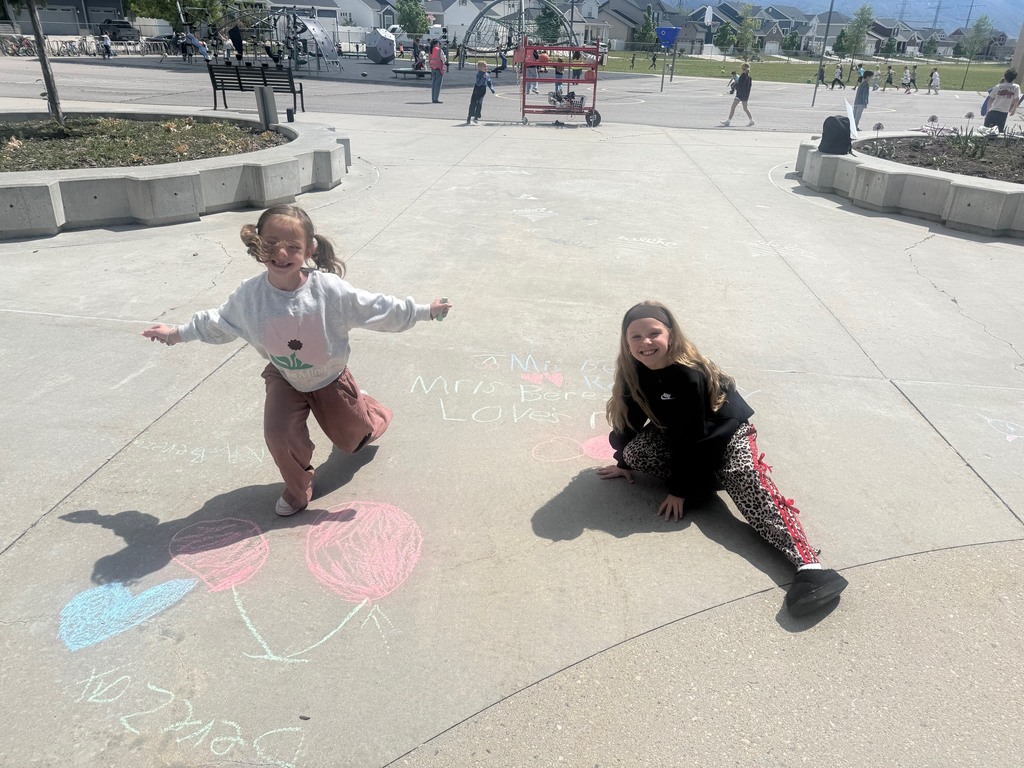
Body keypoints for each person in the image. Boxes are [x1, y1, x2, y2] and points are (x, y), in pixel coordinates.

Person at [141, 205, 452, 517]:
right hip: (285, 378)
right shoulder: (250, 296)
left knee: (353, 441)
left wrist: (425, 311)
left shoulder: (328, 291)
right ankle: (297, 488)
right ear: (258, 243)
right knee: (278, 434)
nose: (281, 253)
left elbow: (377, 308)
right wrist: (175, 332)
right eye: (272, 243)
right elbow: (218, 321)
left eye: (293, 246)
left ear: (309, 249)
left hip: (330, 378)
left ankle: (369, 409)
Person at [597, 301, 849, 617]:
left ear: (671, 334)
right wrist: (623, 462)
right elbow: (629, 421)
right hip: (688, 438)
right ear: (626, 341)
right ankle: (706, 479)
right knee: (636, 454)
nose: (645, 343)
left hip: (726, 435)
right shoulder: (633, 371)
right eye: (636, 336)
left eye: (654, 333)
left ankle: (810, 567)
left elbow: (695, 438)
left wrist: (679, 489)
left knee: (746, 481)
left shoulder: (689, 374)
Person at [982, 68, 1021, 133]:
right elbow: (1016, 99)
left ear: (1004, 77)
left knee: (987, 129)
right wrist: (1014, 109)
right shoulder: (1016, 87)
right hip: (1003, 112)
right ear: (1014, 78)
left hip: (993, 110)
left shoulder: (998, 86)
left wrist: (987, 110)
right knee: (998, 131)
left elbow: (991, 99)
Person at [720, 62, 754, 127]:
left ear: (742, 68)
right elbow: (749, 86)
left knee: (733, 107)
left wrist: (735, 86)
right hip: (745, 95)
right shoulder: (749, 77)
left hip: (740, 94)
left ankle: (728, 121)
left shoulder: (742, 76)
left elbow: (740, 85)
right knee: (745, 108)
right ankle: (751, 120)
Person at [466, 60, 495, 125]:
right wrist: (483, 78)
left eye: (486, 66)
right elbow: (478, 83)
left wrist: (492, 89)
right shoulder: (478, 74)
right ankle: (469, 117)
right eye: (484, 66)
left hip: (482, 90)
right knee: (473, 103)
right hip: (477, 90)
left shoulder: (486, 74)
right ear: (479, 68)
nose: (486, 68)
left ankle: (476, 117)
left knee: (479, 103)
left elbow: (489, 82)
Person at [428, 38, 447, 103]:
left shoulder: (431, 50)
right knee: (438, 84)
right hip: (439, 67)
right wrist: (445, 61)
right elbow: (443, 59)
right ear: (437, 43)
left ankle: (433, 98)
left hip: (433, 67)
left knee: (433, 83)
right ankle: (436, 98)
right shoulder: (439, 50)